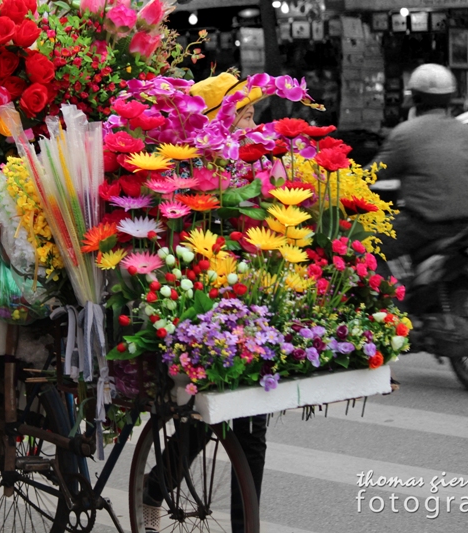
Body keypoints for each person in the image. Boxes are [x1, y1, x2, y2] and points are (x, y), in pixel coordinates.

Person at [140, 72, 268, 533]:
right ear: (218, 120)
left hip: (252, 301)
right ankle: (155, 487)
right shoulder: (192, 170)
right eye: (246, 114)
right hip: (204, 301)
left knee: (251, 427)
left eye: (254, 113)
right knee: (207, 417)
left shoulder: (257, 164)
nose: (254, 122)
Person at [372, 63, 468, 266]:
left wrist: (342, 184)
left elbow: (373, 174)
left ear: (414, 97)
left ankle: (390, 296)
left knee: (364, 249)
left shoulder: (405, 133)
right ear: (450, 97)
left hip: (423, 226)